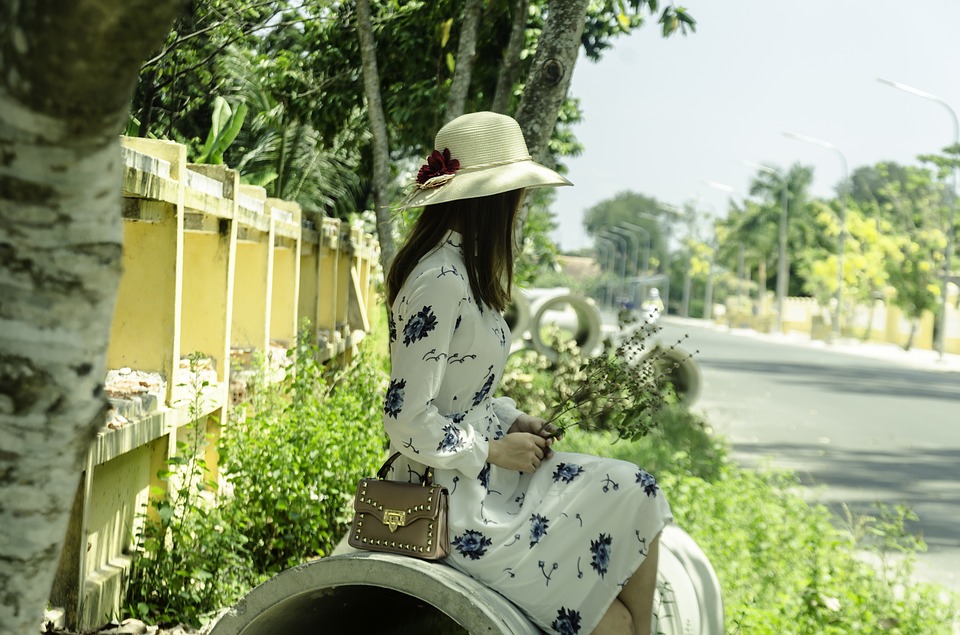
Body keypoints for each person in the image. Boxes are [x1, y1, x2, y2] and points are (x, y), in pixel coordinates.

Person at [383, 111, 672, 635]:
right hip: (454, 503)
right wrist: (494, 450)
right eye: (517, 192)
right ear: (494, 199)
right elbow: (406, 420)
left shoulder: (463, 270)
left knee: (637, 492)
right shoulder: (440, 279)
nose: (520, 205)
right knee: (616, 618)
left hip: (486, 481)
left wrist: (512, 421)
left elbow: (462, 395)